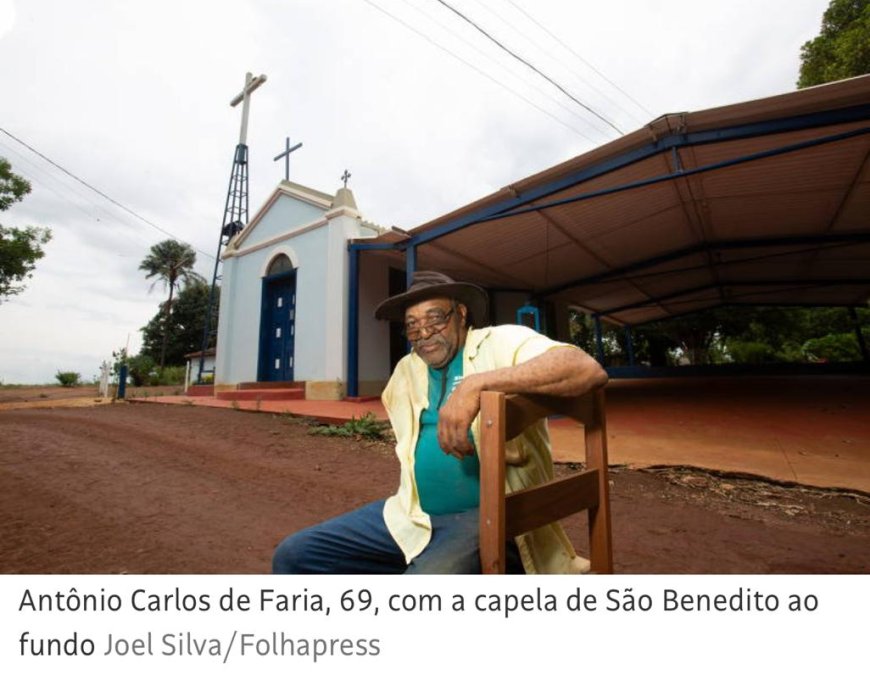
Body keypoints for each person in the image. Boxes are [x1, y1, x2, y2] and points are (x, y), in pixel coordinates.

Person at [272, 271, 608, 574]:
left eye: (435, 318)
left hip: (488, 518)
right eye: (413, 325)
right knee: (294, 555)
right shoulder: (407, 369)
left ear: (461, 314)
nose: (424, 333)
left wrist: (477, 385)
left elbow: (584, 369)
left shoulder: (500, 341)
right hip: (410, 514)